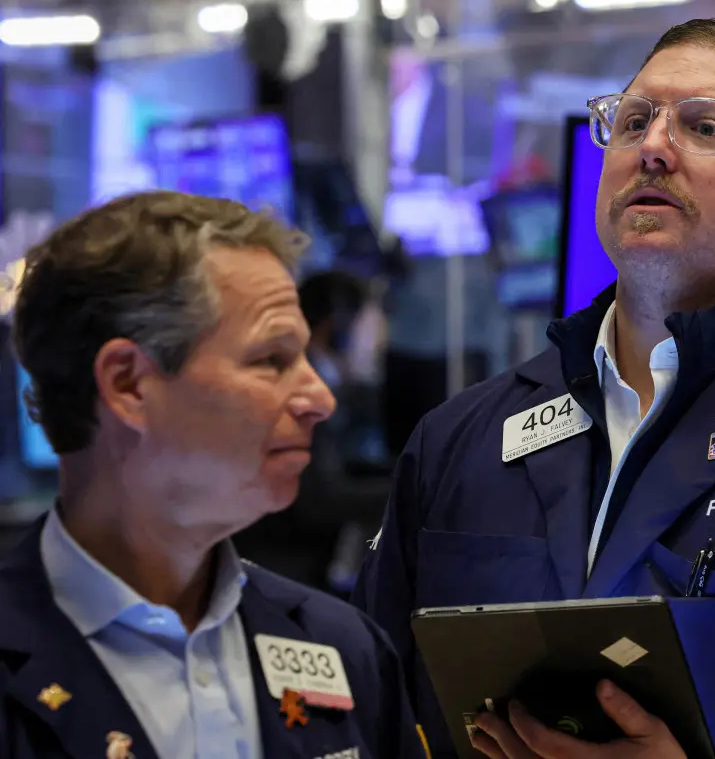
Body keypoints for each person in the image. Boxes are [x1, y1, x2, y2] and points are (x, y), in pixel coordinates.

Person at [352, 18, 715, 759]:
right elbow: (369, 707)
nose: (652, 148)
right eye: (633, 120)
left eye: (706, 126)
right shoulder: (458, 439)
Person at [0, 192, 426, 759]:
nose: (319, 398)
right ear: (128, 384)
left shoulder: (343, 647)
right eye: (271, 360)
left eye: (305, 357)